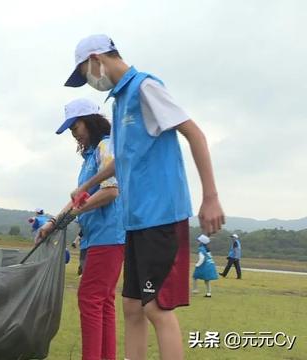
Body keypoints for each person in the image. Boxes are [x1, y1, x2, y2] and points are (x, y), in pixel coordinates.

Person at [64, 34, 225, 359]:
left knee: (156, 309)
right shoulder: (120, 101)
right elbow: (121, 161)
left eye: (85, 73)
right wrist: (86, 186)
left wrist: (210, 197)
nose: (88, 81)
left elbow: (194, 133)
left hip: (161, 216)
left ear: (97, 59)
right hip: (135, 222)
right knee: (132, 307)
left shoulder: (145, 87)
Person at [38, 98, 125, 360]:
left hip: (107, 235)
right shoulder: (90, 155)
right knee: (103, 302)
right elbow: (80, 197)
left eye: (75, 127)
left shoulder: (105, 147)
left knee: (89, 298)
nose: (73, 134)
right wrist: (54, 222)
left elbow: (111, 191)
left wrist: (75, 212)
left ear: (90, 121)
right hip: (98, 237)